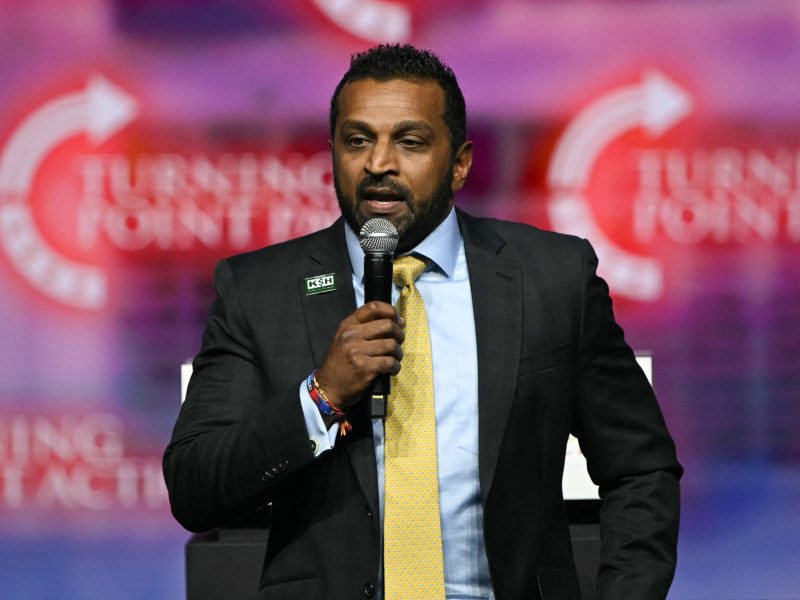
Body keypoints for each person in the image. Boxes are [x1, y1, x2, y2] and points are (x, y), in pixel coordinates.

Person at [163, 44, 682, 600]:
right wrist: (322, 395)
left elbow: (641, 469)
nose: (379, 163)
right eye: (357, 140)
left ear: (459, 163)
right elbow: (196, 487)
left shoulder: (552, 278)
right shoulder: (260, 290)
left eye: (409, 142)